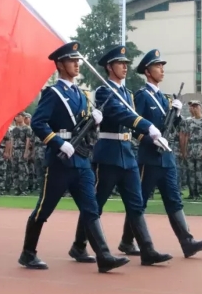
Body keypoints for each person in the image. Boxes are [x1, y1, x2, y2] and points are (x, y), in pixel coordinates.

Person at [18, 41, 129, 273]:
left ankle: (104, 255)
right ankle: (28, 253)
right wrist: (59, 142)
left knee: (90, 209)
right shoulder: (53, 93)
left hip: (81, 160)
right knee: (43, 210)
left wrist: (95, 120)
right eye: (72, 61)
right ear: (60, 64)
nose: (77, 64)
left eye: (78, 60)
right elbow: (38, 123)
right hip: (60, 160)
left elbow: (84, 127)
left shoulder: (81, 93)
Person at [70, 45, 173, 266]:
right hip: (108, 154)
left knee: (136, 204)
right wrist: (147, 126)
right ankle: (79, 245)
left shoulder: (126, 93)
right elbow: (121, 114)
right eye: (120, 64)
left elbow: (131, 118)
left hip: (127, 154)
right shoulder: (105, 92)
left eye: (126, 64)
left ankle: (147, 250)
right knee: (96, 203)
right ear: (109, 67)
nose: (125, 67)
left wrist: (153, 133)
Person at [117, 49, 202, 258]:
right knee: (139, 201)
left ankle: (187, 242)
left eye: (162, 66)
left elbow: (171, 127)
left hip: (166, 158)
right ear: (147, 71)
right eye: (158, 66)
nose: (162, 69)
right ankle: (127, 241)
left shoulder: (165, 98)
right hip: (149, 158)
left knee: (174, 199)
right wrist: (150, 138)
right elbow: (135, 127)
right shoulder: (142, 96)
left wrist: (177, 114)